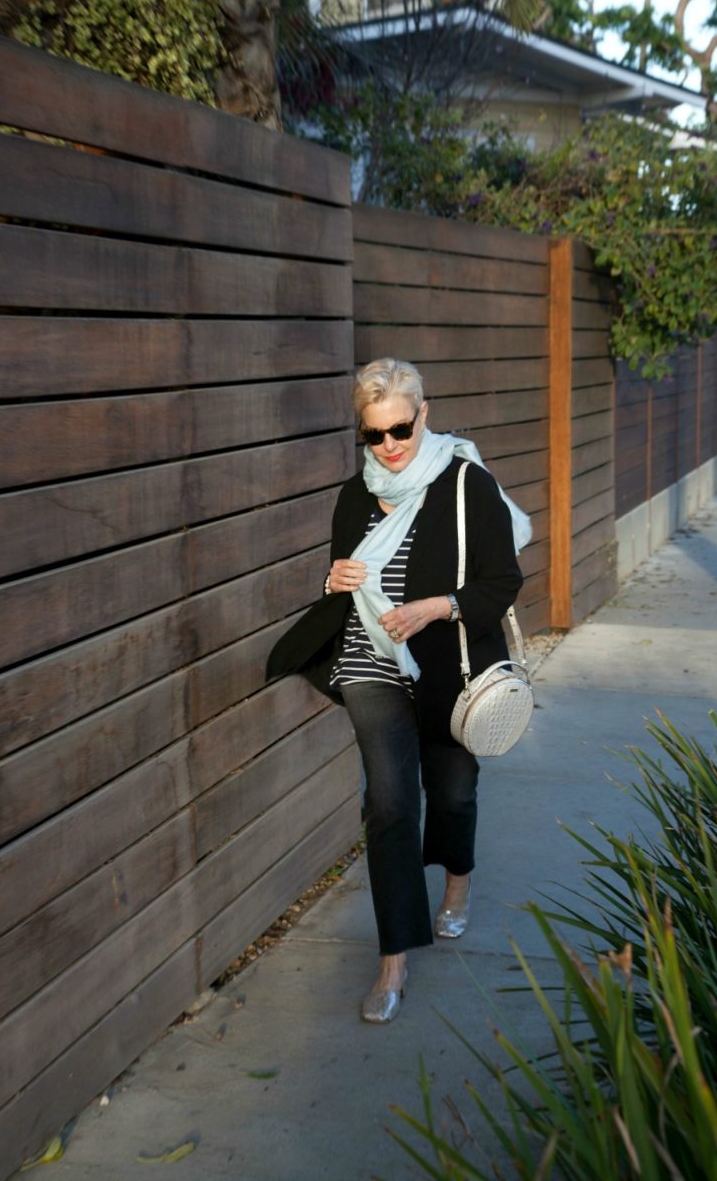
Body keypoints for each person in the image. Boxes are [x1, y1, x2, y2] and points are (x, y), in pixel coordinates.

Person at [266, 358, 531, 1024]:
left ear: (424, 415)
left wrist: (436, 606)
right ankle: (393, 959)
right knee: (387, 802)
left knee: (453, 790)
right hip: (370, 663)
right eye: (373, 435)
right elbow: (343, 580)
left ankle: (458, 884)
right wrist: (334, 581)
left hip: (446, 665)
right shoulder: (356, 494)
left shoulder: (468, 483)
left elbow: (502, 583)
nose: (388, 446)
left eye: (400, 430)